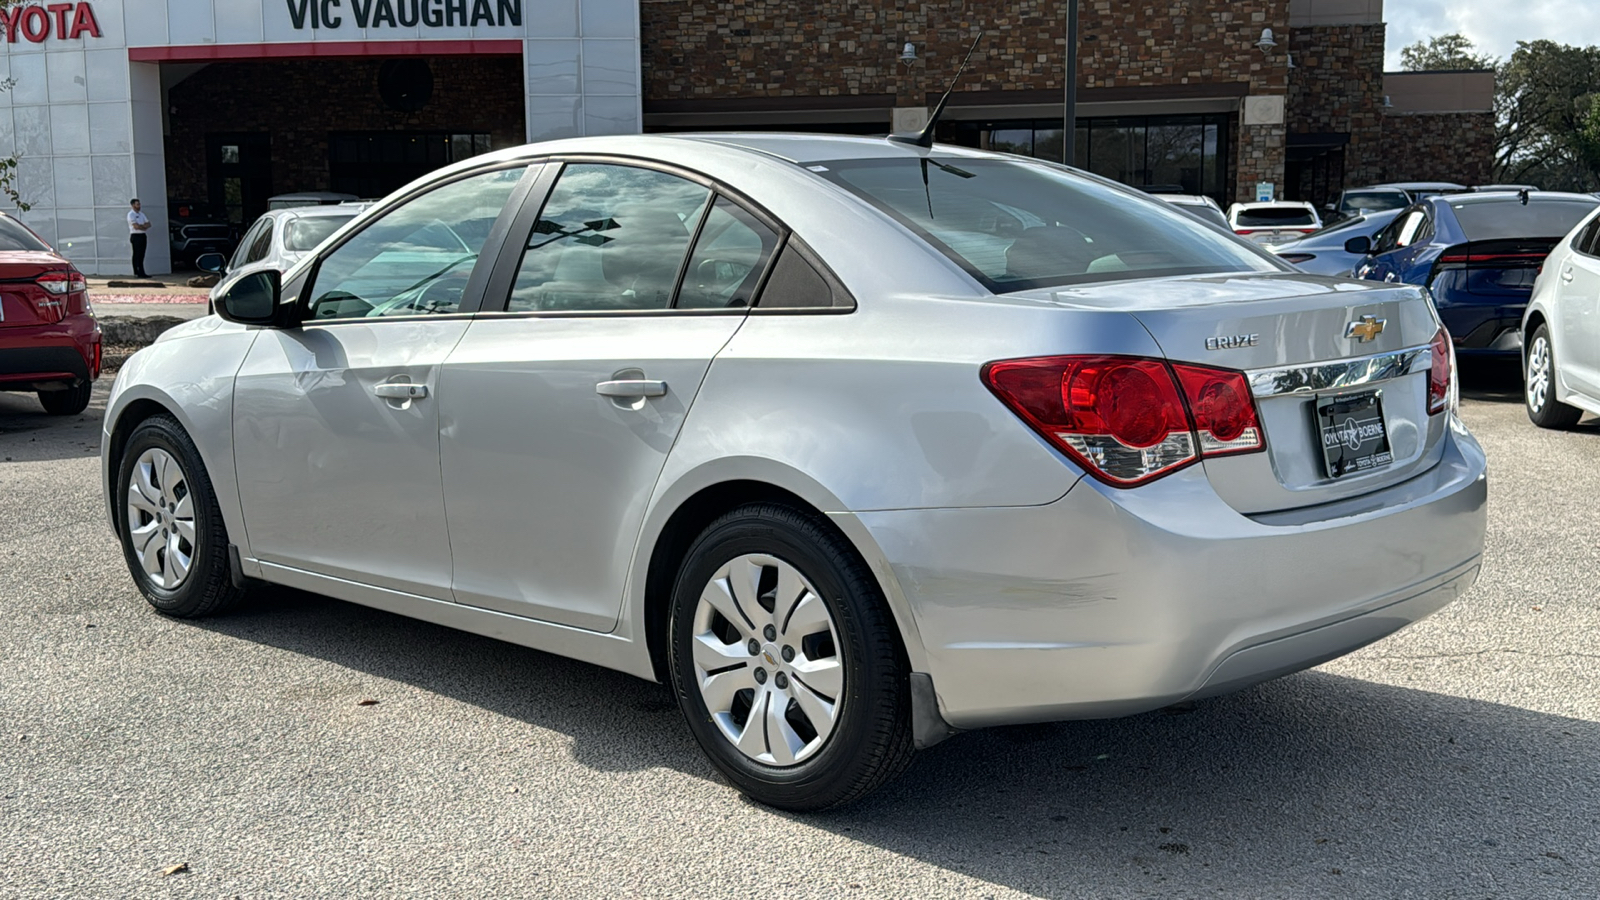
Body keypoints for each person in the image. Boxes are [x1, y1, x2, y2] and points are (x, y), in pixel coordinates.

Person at [127, 198, 151, 278]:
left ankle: (142, 271)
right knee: (137, 254)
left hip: (142, 235)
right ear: (133, 205)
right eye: (137, 204)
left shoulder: (141, 214)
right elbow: (136, 226)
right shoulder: (131, 214)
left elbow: (148, 224)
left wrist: (143, 227)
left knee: (142, 254)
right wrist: (143, 226)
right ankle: (137, 272)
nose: (139, 206)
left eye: (139, 204)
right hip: (135, 235)